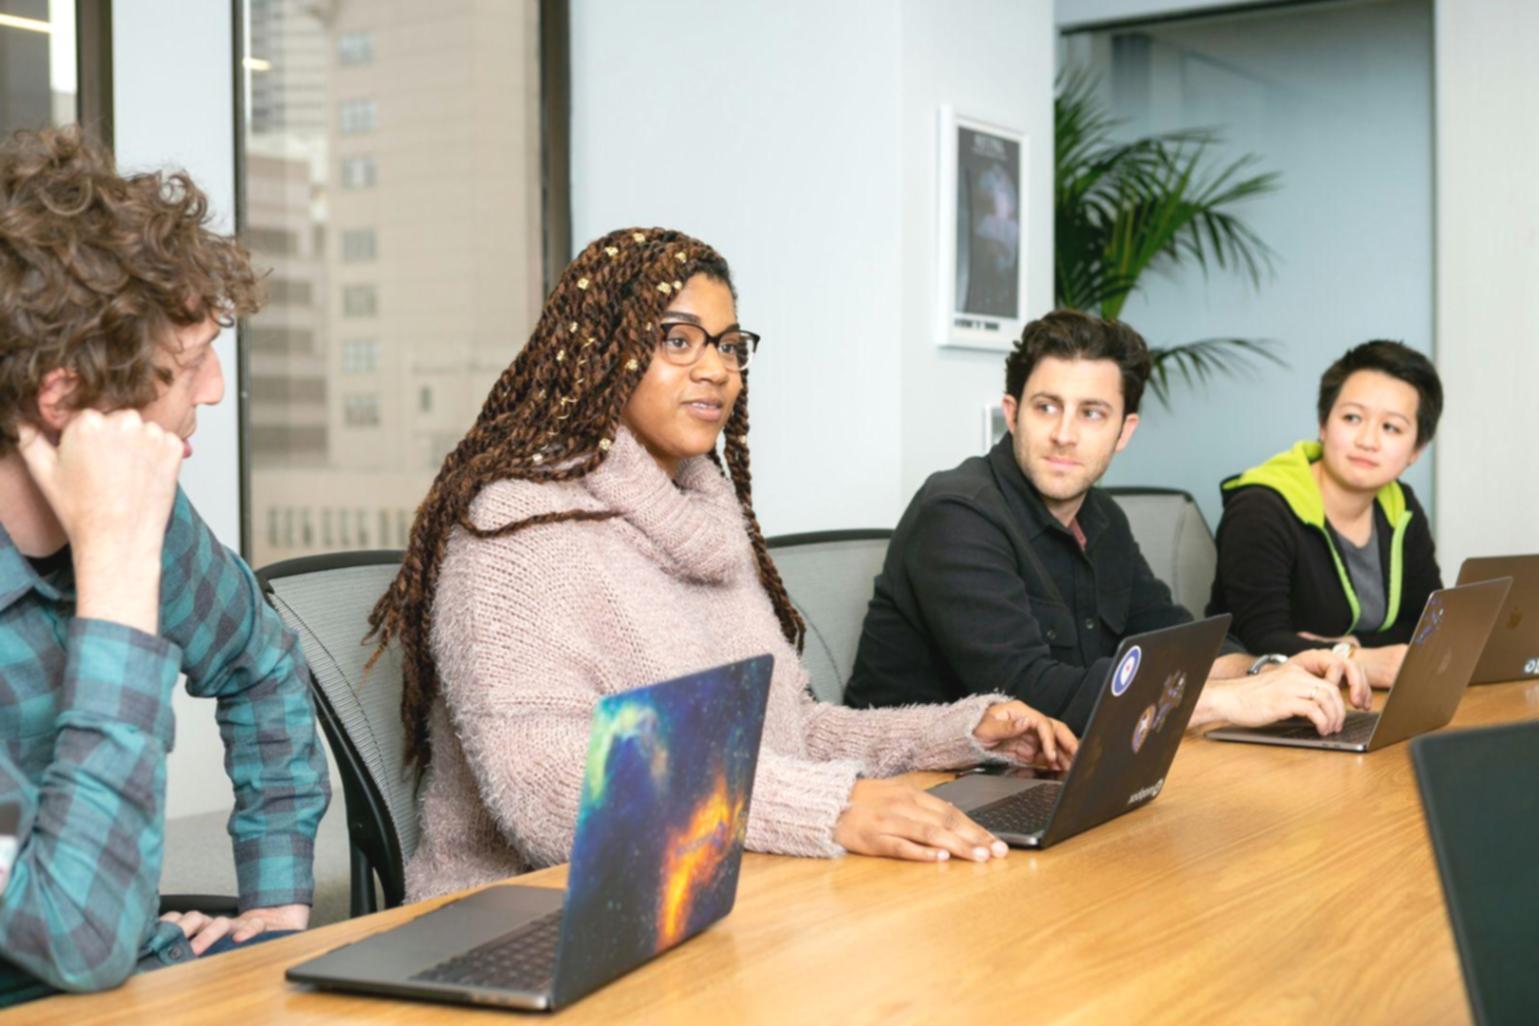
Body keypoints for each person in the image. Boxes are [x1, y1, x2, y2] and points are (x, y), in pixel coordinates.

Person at [367, 228, 1079, 899]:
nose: (715, 368)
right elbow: (547, 792)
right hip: (534, 913)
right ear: (599, 355)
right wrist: (822, 808)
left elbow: (790, 734)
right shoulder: (516, 529)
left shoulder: (707, 524)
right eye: (677, 341)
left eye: (729, 346)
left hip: (705, 891)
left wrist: (960, 733)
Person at [0, 127, 330, 1006]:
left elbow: (261, 665)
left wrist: (277, 903)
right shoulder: (124, 533)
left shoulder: (149, 516)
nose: (216, 389)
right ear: (64, 399)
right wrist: (115, 573)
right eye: (187, 365)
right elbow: (74, 940)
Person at [844, 309, 1368, 734]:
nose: (1065, 434)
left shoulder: (1102, 517)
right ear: (1012, 412)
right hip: (919, 793)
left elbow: (1172, 640)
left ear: (1124, 431)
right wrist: (1231, 701)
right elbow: (1030, 693)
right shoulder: (957, 514)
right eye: (1047, 407)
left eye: (1092, 413)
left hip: (1044, 777)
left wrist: (1269, 670)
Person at [1207, 340, 1444, 688]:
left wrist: (1352, 647)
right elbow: (1262, 640)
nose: (1367, 440)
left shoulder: (1401, 505)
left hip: (1355, 696)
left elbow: (1428, 625)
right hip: (1255, 700)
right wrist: (1354, 658)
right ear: (1323, 424)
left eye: (1390, 427)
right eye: (1352, 418)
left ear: (1416, 450)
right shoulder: (1260, 508)